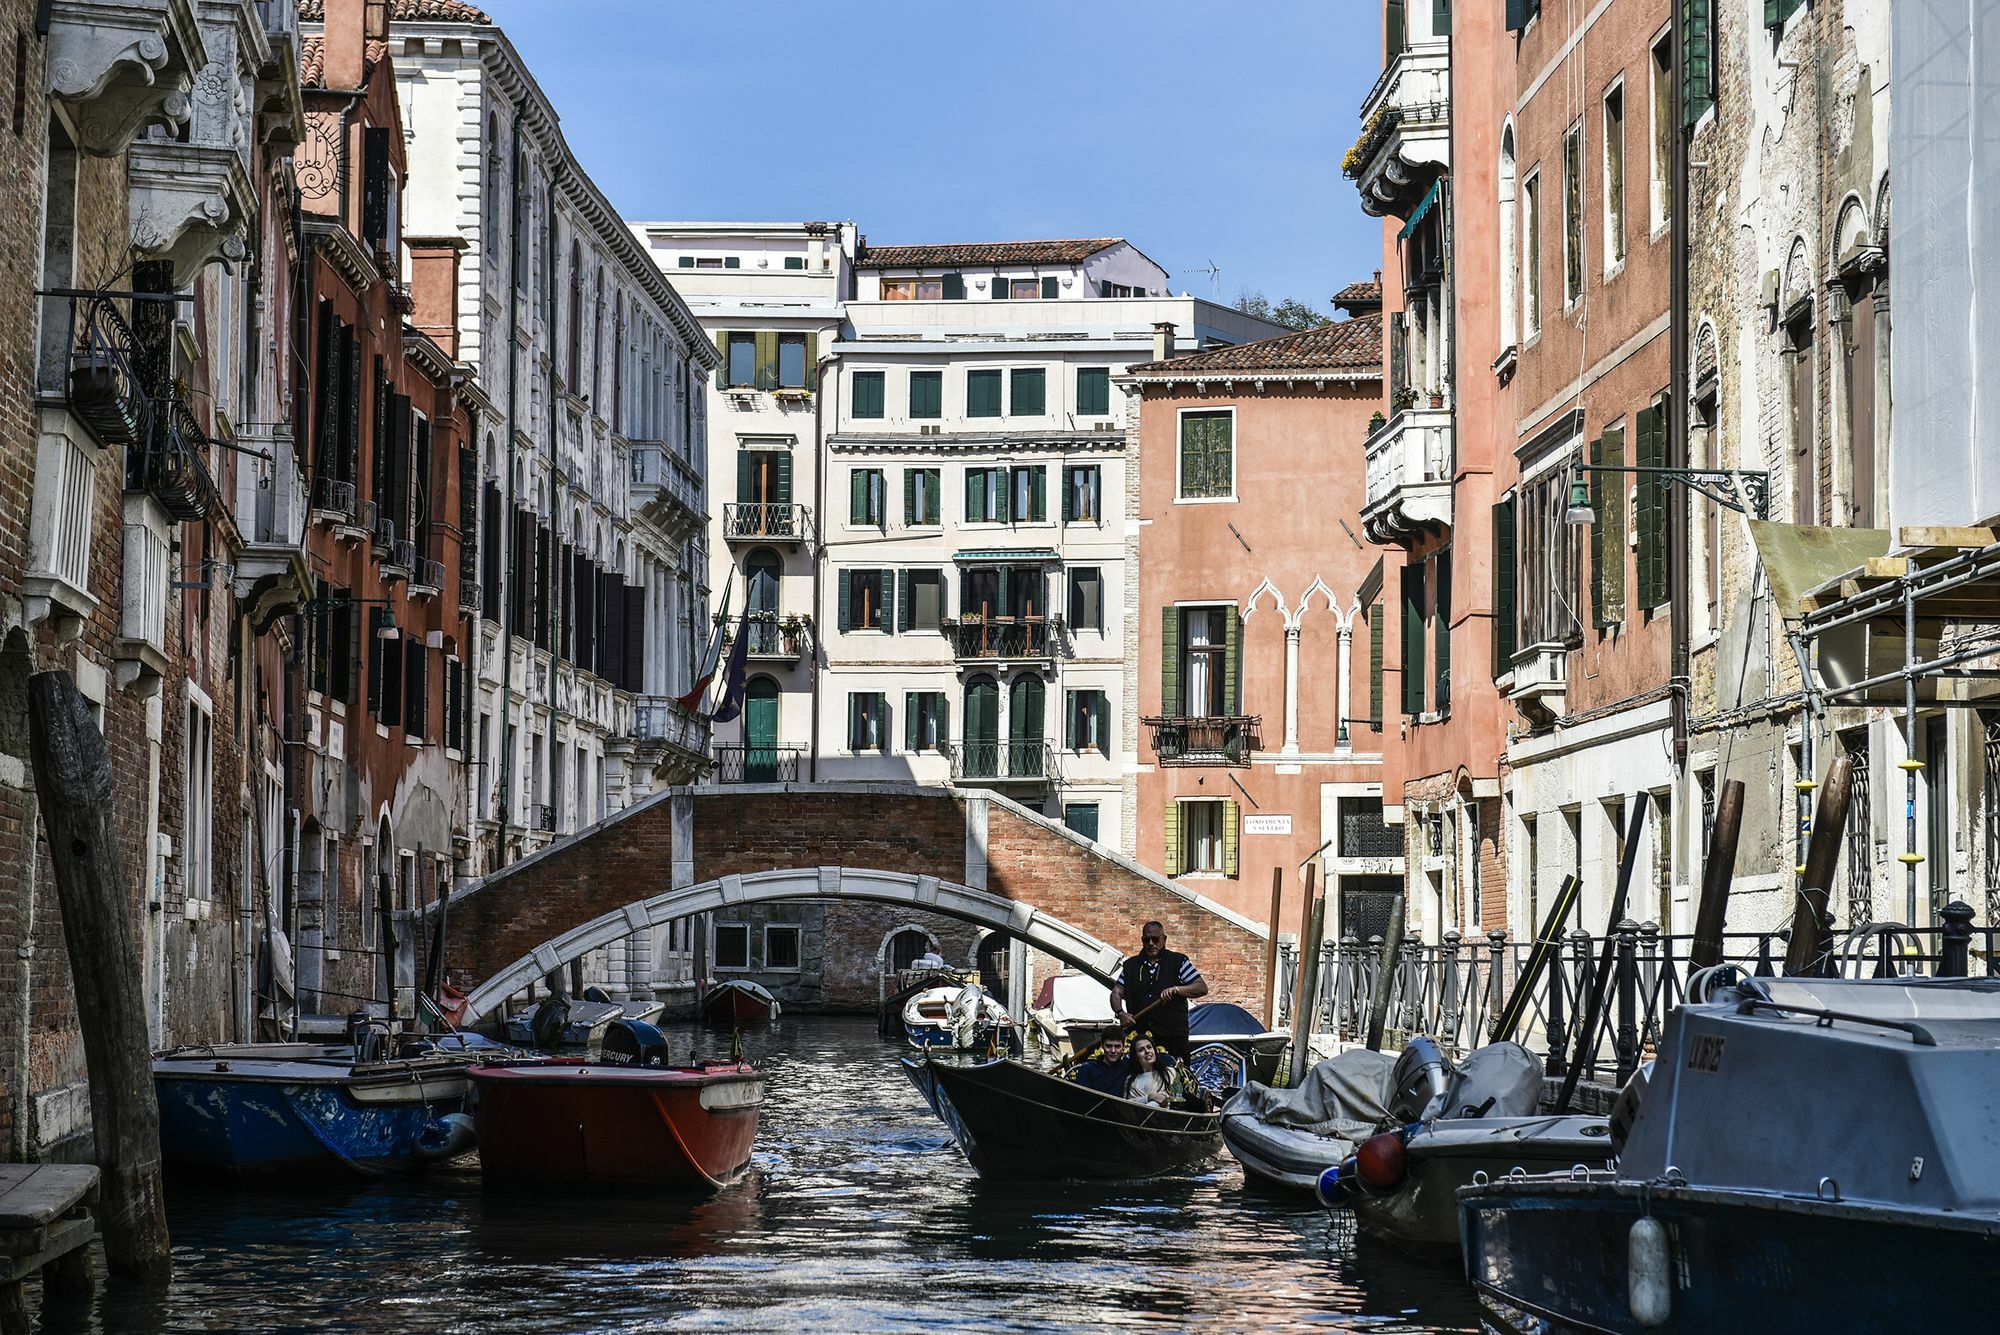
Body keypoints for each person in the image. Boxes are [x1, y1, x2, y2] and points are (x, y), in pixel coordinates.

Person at [1109, 921, 1208, 1061]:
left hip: (1173, 1038)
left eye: (1155, 939)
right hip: (1140, 1038)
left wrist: (1177, 990)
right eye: (1146, 940)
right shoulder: (1130, 966)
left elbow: (1201, 987)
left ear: (1164, 939)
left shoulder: (1178, 962)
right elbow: (1116, 992)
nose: (1151, 943)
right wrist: (1120, 1013)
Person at [1124, 1036, 1194, 1108]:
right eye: (1141, 1050)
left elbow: (1171, 1098)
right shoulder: (1130, 1080)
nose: (1147, 1051)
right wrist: (1149, 1097)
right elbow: (1127, 1105)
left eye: (1149, 1047)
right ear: (1136, 1057)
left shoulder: (1169, 1073)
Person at [1068, 1030, 1130, 1097]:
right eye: (1108, 1046)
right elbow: (1083, 1098)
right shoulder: (1086, 1069)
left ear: (1123, 1047)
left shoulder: (1128, 1066)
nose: (1113, 1051)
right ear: (1102, 1046)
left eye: (1117, 1047)